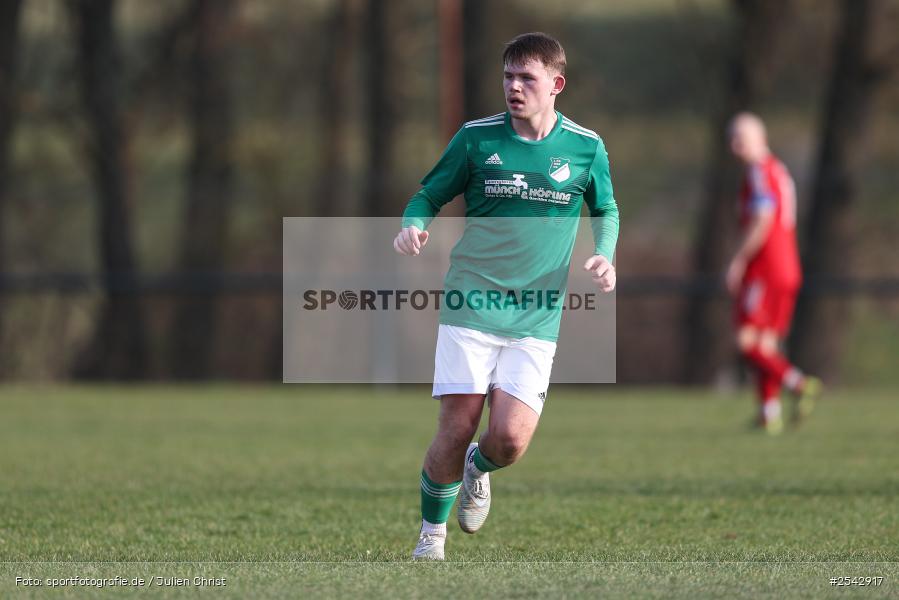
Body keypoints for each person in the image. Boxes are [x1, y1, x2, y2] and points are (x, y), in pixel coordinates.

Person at [393, 32, 619, 560]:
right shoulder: (477, 139)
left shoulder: (586, 147)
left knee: (510, 441)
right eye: (508, 77)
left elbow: (606, 209)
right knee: (456, 426)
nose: (514, 88)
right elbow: (428, 194)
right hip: (471, 301)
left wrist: (605, 254)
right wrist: (411, 225)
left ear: (556, 85)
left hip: (536, 317)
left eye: (527, 78)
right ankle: (431, 538)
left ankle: (478, 468)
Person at [726, 112, 821, 435]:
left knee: (745, 341)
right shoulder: (779, 170)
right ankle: (769, 413)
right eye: (732, 138)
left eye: (741, 137)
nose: (734, 144)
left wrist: (739, 259)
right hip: (788, 266)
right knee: (765, 345)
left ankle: (798, 383)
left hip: (766, 267)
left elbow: (763, 217)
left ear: (760, 138)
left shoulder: (759, 171)